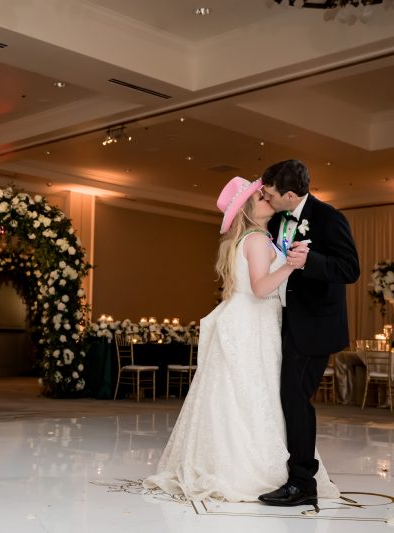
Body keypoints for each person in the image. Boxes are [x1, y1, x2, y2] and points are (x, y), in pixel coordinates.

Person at [143, 176, 339, 502]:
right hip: (254, 323)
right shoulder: (259, 239)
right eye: (261, 198)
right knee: (255, 394)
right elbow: (262, 288)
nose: (268, 200)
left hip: (245, 319)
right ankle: (254, 471)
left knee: (236, 396)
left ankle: (225, 463)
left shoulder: (247, 239)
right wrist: (292, 264)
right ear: (248, 209)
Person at [258, 160, 359, 506]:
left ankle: (303, 482)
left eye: (269, 193)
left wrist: (310, 261)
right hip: (282, 323)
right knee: (286, 399)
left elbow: (350, 268)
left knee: (295, 399)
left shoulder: (330, 218)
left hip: (315, 326)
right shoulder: (274, 220)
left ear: (289, 194)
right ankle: (295, 474)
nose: (265, 197)